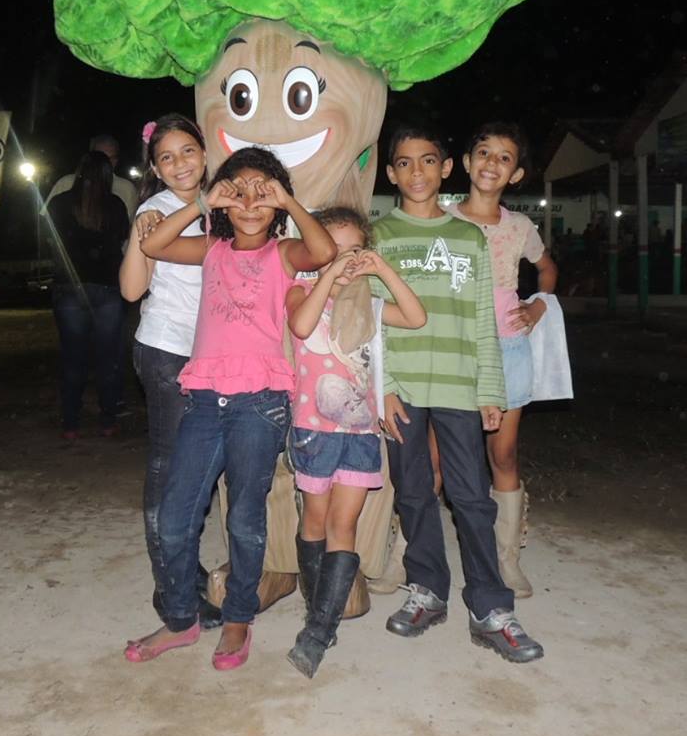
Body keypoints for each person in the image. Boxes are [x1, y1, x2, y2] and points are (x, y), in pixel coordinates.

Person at [127, 146, 335, 671]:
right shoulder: (212, 248)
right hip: (203, 399)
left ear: (278, 204)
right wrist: (201, 201)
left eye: (261, 195)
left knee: (245, 518)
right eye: (237, 192)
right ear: (223, 200)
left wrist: (287, 197)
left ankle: (239, 617)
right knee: (175, 519)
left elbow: (325, 249)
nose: (248, 203)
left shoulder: (283, 255)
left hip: (260, 405)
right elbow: (152, 244)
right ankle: (181, 620)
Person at [374, 125, 543, 664]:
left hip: (458, 385)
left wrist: (489, 389)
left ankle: (491, 607)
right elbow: (370, 321)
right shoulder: (380, 237)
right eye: (404, 163)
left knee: (471, 495)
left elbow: (482, 324)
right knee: (415, 490)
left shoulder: (471, 238)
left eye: (428, 161)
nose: (416, 172)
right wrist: (385, 389)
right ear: (390, 172)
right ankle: (427, 590)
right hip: (403, 389)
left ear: (447, 168)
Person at [285, 206, 426, 678]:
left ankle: (318, 632)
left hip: (361, 434)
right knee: (315, 521)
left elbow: (416, 315)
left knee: (343, 526)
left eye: (353, 252)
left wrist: (381, 269)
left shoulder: (369, 306)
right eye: (333, 250)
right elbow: (301, 328)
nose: (344, 261)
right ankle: (316, 608)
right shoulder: (301, 292)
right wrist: (326, 273)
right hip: (313, 432)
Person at [120, 115, 222, 653]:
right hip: (167, 354)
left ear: (204, 152)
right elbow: (132, 290)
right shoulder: (155, 211)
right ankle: (171, 591)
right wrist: (191, 211)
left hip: (215, 358)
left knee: (197, 478)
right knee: (168, 475)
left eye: (188, 151)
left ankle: (188, 572)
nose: (180, 164)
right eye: (167, 157)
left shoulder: (227, 204)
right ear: (154, 168)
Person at [446, 122, 558, 598]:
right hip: (453, 351)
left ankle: (506, 557)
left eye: (504, 157)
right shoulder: (442, 217)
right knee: (435, 460)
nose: (492, 163)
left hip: (508, 348)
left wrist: (539, 304)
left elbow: (547, 268)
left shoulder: (520, 227)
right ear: (468, 163)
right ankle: (405, 550)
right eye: (484, 153)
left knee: (503, 454)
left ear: (516, 175)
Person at [47, 151, 129, 439]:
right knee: (108, 358)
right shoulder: (116, 205)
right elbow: (121, 242)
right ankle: (107, 419)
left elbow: (50, 241)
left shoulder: (59, 204)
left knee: (73, 357)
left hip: (69, 286)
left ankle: (71, 421)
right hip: (106, 287)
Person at [44, 134, 138, 221]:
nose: (104, 163)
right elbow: (46, 222)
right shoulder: (66, 183)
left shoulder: (127, 189)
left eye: (110, 159)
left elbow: (131, 226)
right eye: (99, 157)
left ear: (116, 161)